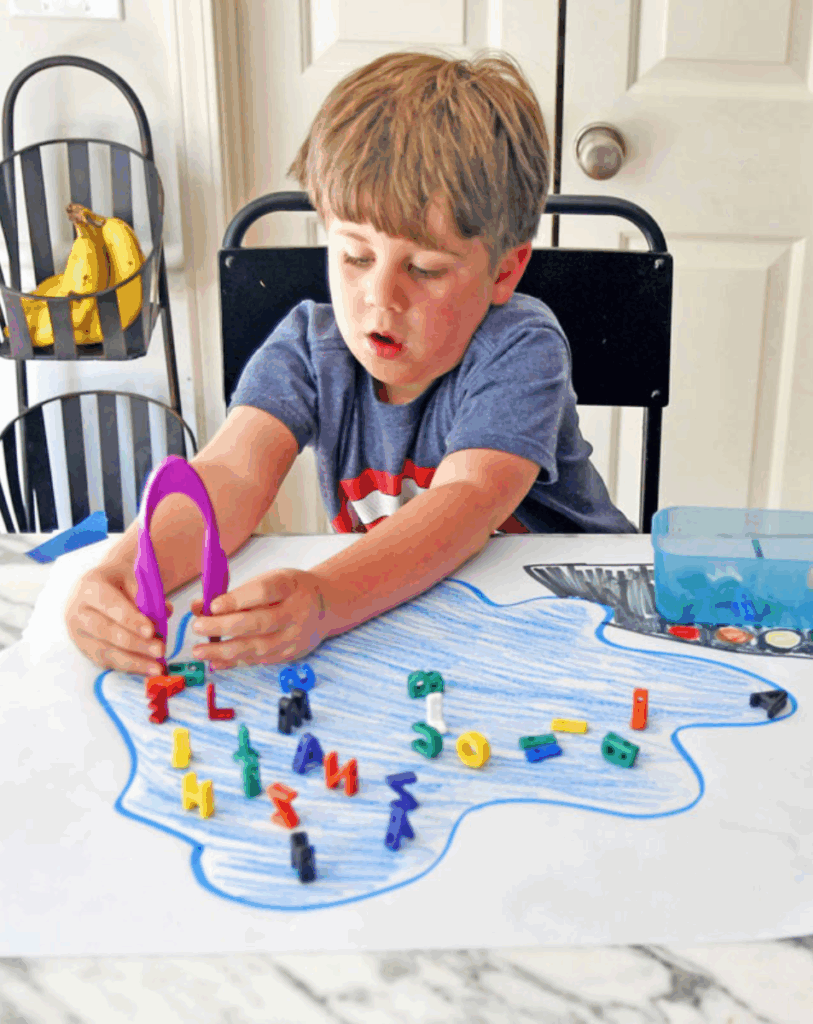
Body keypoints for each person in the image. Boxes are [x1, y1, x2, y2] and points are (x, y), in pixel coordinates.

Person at [64, 49, 635, 677]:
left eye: (424, 269)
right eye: (356, 256)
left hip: (587, 619)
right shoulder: (311, 346)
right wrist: (123, 571)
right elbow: (230, 473)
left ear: (505, 269)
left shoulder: (522, 344)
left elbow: (467, 502)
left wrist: (327, 597)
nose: (380, 298)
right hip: (427, 622)